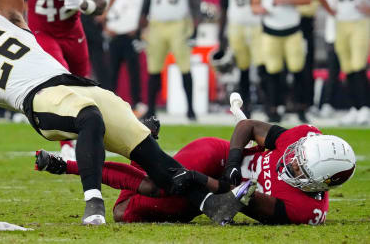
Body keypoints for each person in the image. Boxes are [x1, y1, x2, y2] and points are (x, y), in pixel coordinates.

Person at [0, 0, 253, 226]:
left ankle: (220, 200)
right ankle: (93, 202)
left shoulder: (2, 16)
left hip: (76, 84)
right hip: (40, 98)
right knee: (89, 116)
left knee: (159, 163)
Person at [35, 93, 356, 225]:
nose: (291, 161)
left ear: (320, 182)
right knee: (155, 187)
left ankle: (144, 146)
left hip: (224, 193)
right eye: (297, 155)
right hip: (218, 156)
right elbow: (246, 125)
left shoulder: (305, 210)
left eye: (300, 166)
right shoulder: (301, 137)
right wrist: (231, 164)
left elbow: (236, 202)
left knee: (125, 212)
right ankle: (66, 165)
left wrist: (201, 180)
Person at [10, 0, 110, 160]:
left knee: (84, 86)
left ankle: (88, 138)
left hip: (73, 31)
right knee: (62, 80)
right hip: (43, 31)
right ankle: (67, 145)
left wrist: (84, 3)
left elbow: (101, 0)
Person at [250, 0, 312, 123]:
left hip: (292, 29)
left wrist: (286, 0)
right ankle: (273, 108)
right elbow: (254, 3)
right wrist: (259, 9)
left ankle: (301, 108)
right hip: (270, 30)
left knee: (297, 69)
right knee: (272, 72)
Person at [142, 0, 202, 120]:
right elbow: (147, 2)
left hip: (179, 25)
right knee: (154, 68)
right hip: (157, 25)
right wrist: (141, 28)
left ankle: (191, 109)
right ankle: (151, 109)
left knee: (185, 67)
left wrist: (196, 30)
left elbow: (195, 2)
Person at [317, 0, 370, 125]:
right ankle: (355, 108)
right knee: (347, 67)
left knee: (358, 64)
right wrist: (329, 9)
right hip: (341, 22)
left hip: (360, 21)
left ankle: (365, 107)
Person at [214, 0, 267, 117]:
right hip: (236, 26)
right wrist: (220, 33)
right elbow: (223, 7)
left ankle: (268, 104)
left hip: (258, 25)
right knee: (242, 68)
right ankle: (247, 106)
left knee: (262, 66)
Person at [104, 0, 147, 116]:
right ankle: (110, 103)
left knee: (134, 72)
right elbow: (103, 16)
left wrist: (140, 30)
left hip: (131, 38)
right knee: (112, 73)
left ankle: (137, 103)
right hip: (115, 38)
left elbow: (145, 15)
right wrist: (105, 28)